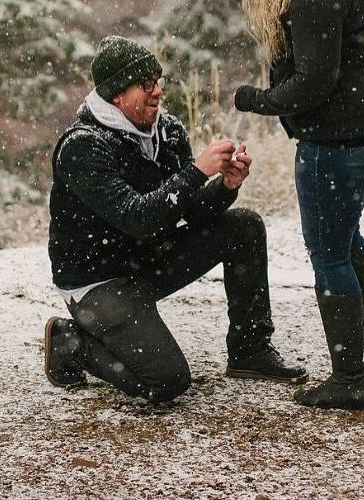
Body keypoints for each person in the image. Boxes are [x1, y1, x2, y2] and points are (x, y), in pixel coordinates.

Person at [44, 36, 307, 404]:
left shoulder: (166, 130)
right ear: (117, 94)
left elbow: (188, 212)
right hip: (97, 280)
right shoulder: (83, 146)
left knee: (243, 226)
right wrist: (198, 170)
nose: (157, 92)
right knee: (166, 382)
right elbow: (137, 218)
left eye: (159, 81)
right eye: (145, 84)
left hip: (147, 260)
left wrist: (225, 187)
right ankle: (72, 343)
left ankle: (251, 351)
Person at [234, 0, 364, 410]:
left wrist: (256, 100)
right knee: (343, 237)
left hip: (339, 136)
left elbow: (314, 82)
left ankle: (348, 380)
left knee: (329, 253)